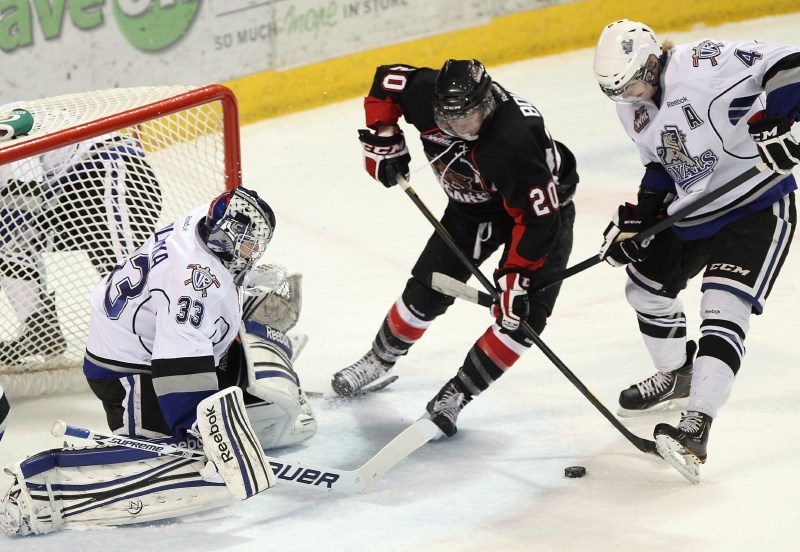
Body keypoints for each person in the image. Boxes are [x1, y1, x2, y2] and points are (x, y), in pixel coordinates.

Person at [0, 186, 318, 535]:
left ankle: (241, 410)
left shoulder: (206, 221)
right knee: (169, 459)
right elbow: (178, 366)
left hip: (163, 338)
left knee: (237, 355)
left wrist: (244, 281)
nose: (253, 253)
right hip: (129, 370)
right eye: (247, 245)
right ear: (226, 236)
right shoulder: (193, 283)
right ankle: (40, 488)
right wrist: (198, 430)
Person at [593, 19, 798, 478]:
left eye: (630, 85)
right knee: (644, 289)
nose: (627, 97)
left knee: (721, 307)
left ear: (651, 60)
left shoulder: (702, 63)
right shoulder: (633, 105)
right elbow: (662, 166)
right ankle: (679, 374)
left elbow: (788, 63)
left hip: (757, 203)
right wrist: (641, 219)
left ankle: (696, 426)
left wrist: (785, 119)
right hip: (694, 211)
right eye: (617, 91)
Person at [331, 59, 579, 438]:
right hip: (472, 209)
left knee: (522, 316)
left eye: (468, 118)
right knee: (426, 287)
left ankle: (457, 395)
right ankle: (378, 360)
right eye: (449, 121)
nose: (459, 128)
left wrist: (515, 277)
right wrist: (384, 133)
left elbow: (536, 219)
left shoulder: (512, 138)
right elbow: (388, 79)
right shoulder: (425, 93)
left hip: (542, 214)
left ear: (488, 102)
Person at [0, 102, 162, 365]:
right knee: (9, 245)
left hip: (114, 173)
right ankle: (39, 327)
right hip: (71, 200)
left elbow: (23, 200)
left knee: (126, 275)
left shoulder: (5, 126)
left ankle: (175, 336)